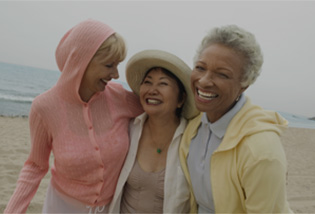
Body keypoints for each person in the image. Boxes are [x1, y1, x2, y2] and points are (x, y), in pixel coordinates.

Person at [4, 19, 143, 214]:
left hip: (111, 208)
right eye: (109, 65)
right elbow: (35, 166)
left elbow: (159, 112)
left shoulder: (119, 97)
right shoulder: (44, 107)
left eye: (117, 65)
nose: (115, 74)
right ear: (81, 61)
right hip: (61, 207)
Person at [179, 25, 293, 213]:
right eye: (200, 67)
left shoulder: (261, 150)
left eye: (222, 74)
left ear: (244, 85)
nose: (205, 81)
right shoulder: (195, 124)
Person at [108, 50, 199, 213]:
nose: (152, 90)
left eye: (163, 84)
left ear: (181, 99)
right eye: (148, 82)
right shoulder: (129, 129)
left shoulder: (192, 140)